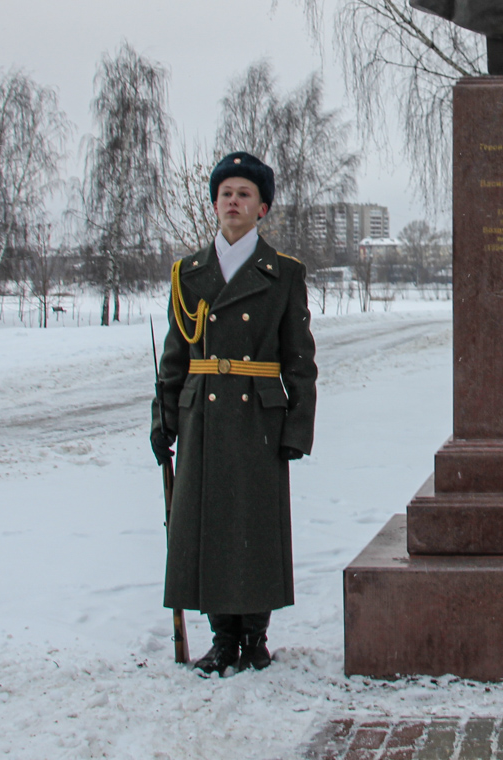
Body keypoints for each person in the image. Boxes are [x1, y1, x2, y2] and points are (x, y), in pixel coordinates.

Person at [150, 151, 318, 676]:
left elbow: (300, 360)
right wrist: (164, 419)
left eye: (244, 194)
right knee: (207, 525)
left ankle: (255, 637)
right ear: (215, 204)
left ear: (262, 208)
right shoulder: (189, 273)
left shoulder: (283, 273)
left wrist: (297, 427)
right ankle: (222, 638)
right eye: (225, 194)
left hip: (258, 419)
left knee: (255, 525)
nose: (233, 202)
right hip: (203, 416)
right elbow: (176, 354)